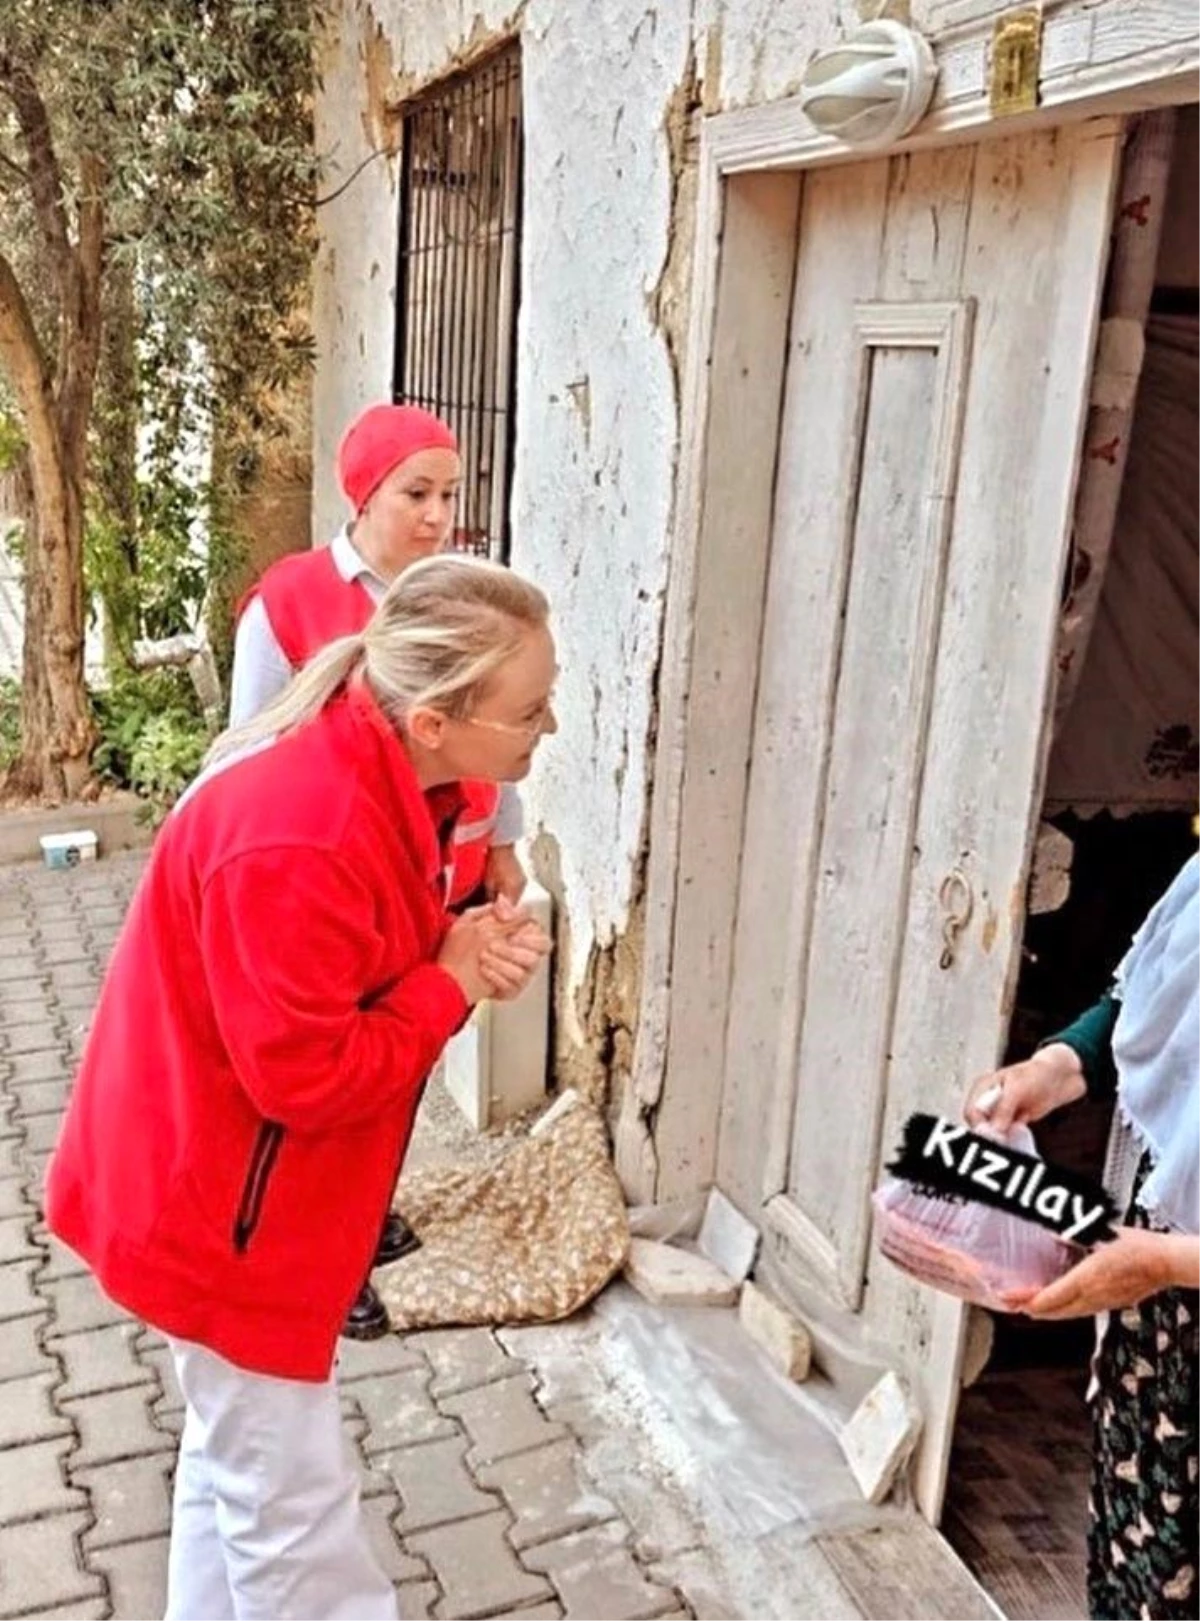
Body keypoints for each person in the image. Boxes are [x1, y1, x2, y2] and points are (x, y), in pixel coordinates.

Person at [44, 554, 556, 1621]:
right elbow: (310, 1077)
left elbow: (362, 963)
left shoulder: (379, 775)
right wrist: (449, 980)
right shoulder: (303, 826)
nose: (544, 728)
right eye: (529, 710)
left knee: (239, 1474)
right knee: (297, 1525)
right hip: (222, 1213)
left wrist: (455, 946)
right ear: (433, 719)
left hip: (231, 1189)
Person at [231, 402, 528, 1336]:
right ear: (363, 495)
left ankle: (362, 1213)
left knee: (407, 1057)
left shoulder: (465, 594)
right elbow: (249, 751)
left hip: (446, 875)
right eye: (417, 494)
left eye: (451, 493)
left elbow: (504, 728)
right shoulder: (289, 601)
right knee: (339, 1068)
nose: (440, 515)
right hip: (336, 884)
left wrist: (507, 844)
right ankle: (329, 1247)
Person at [965, 852, 1200, 1621]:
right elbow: (1144, 998)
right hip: (1161, 1307)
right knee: (1142, 1549)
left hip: (1166, 1264)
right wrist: (1052, 1068)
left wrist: (1165, 1260)